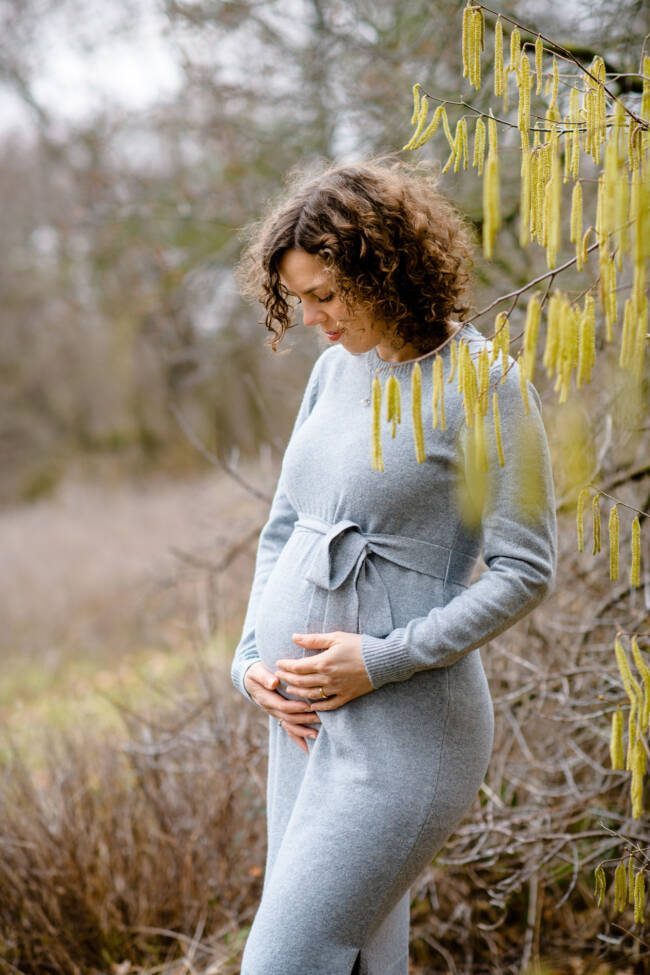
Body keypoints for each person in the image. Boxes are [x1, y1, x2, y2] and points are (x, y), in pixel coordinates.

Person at [231, 158, 557, 975]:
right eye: (299, 298)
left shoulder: (484, 384)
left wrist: (381, 658)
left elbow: (525, 569)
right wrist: (249, 660)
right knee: (359, 964)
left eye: (326, 295)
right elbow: (284, 528)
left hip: (407, 731)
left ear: (385, 269)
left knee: (282, 962)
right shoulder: (333, 370)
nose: (312, 317)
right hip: (303, 725)